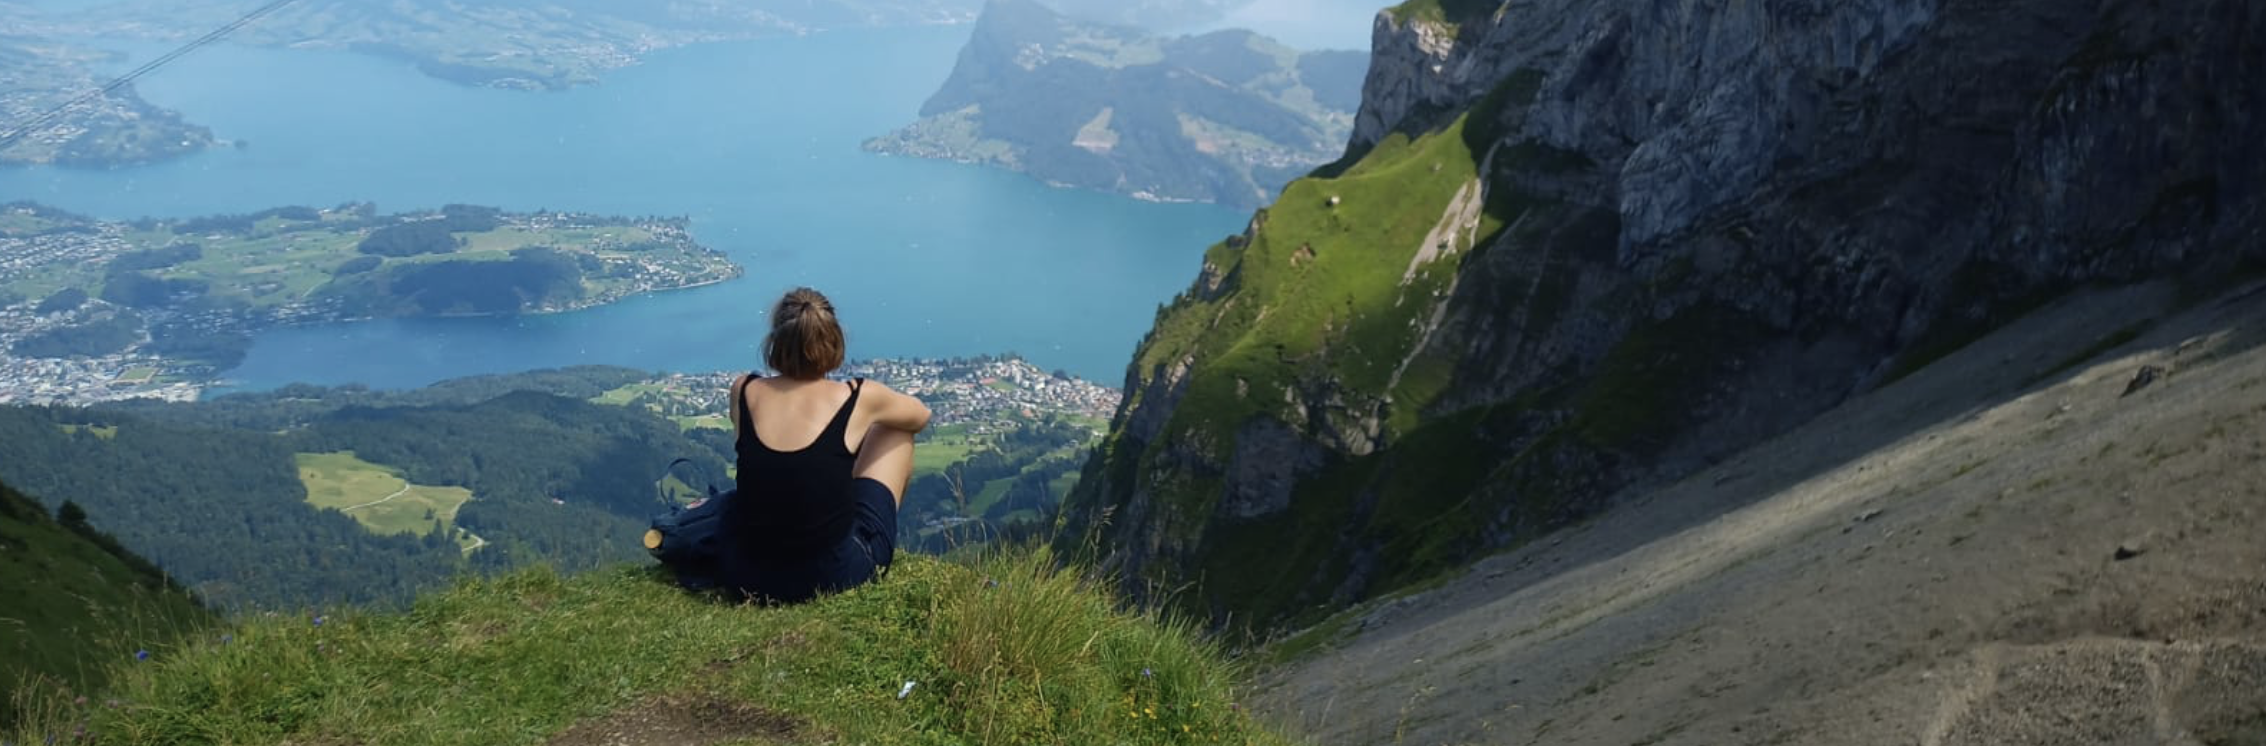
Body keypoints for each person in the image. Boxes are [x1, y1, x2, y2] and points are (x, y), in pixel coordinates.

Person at [721, 287, 930, 603]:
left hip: (748, 575)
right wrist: (866, 420)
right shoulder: (857, 396)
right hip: (832, 574)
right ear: (833, 340)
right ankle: (865, 535)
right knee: (894, 431)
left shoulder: (744, 390)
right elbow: (920, 417)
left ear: (776, 341)